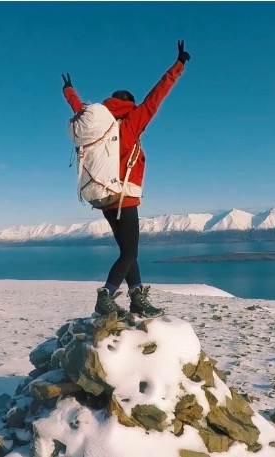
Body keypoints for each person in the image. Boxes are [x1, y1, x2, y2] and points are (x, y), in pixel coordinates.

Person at [62, 40, 191, 318]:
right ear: (130, 103)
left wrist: (68, 90)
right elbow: (158, 94)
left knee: (127, 250)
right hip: (125, 195)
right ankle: (106, 295)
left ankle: (137, 299)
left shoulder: (99, 121)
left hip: (103, 196)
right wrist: (178, 65)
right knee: (130, 252)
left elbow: (78, 108)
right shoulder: (134, 119)